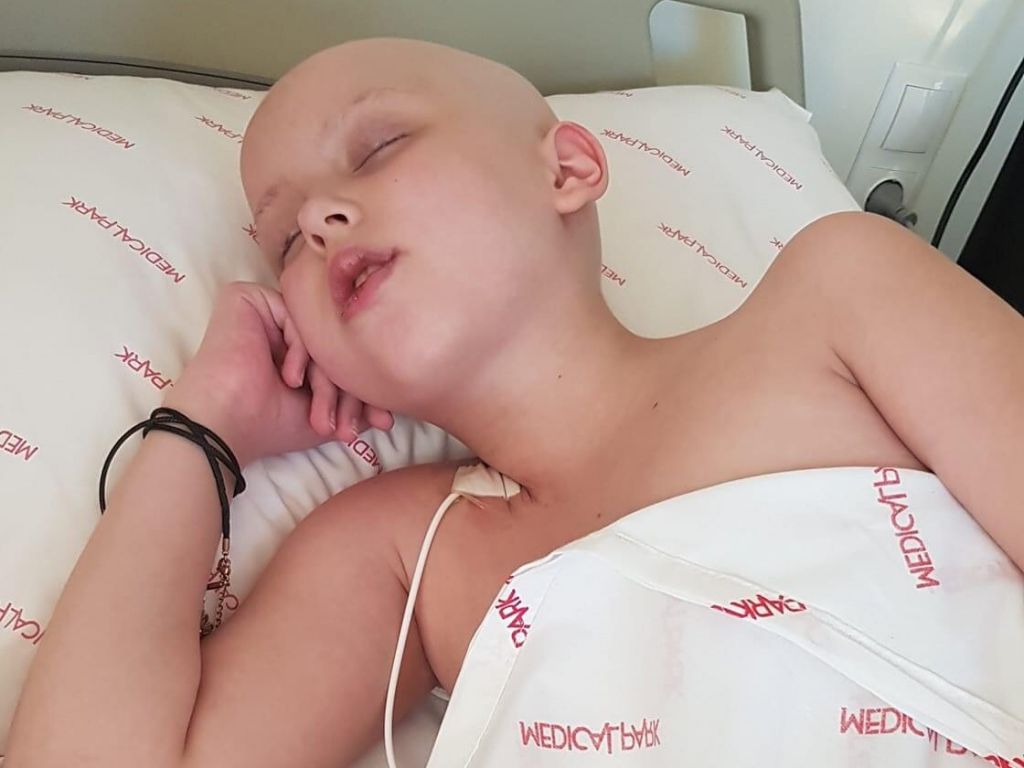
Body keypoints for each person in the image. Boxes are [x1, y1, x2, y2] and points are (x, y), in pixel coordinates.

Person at [6, 37, 1023, 767]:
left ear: (568, 168)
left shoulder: (836, 299)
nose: (318, 220)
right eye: (282, 243)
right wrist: (200, 426)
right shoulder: (404, 556)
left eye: (376, 148)